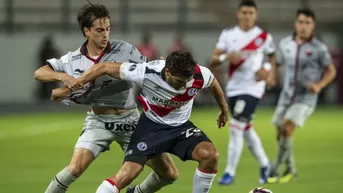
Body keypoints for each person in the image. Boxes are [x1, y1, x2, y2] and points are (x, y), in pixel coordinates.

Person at [33, 2, 178, 193]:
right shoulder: (73, 60)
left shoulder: (125, 50)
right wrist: (63, 77)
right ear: (86, 31)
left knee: (170, 174)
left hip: (131, 121)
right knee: (74, 168)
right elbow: (40, 73)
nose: (105, 34)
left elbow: (149, 69)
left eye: (108, 29)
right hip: (99, 121)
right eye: (100, 30)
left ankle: (137, 191)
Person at [54, 50, 229, 193]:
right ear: (167, 72)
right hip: (151, 127)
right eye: (178, 82)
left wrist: (223, 108)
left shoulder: (199, 74)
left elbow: (213, 83)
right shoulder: (147, 72)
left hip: (181, 128)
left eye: (186, 82)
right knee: (127, 175)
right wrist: (71, 87)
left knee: (210, 156)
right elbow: (104, 67)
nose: (184, 86)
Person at [209, 0, 276, 185]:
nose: (247, 16)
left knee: (237, 124)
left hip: (254, 87)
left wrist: (267, 69)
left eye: (251, 13)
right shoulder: (228, 35)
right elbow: (213, 59)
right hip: (233, 87)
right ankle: (265, 165)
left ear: (256, 15)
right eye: (244, 12)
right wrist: (225, 57)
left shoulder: (263, 36)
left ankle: (229, 172)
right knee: (246, 128)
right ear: (238, 14)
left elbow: (272, 56)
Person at [267, 8, 336, 183]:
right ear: (295, 24)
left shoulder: (319, 48)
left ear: (313, 26)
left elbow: (331, 70)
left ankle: (274, 170)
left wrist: (320, 85)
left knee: (287, 127)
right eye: (301, 22)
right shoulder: (285, 44)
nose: (303, 26)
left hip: (305, 98)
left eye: (307, 23)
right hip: (286, 96)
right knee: (280, 132)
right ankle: (291, 169)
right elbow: (277, 62)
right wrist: (272, 76)